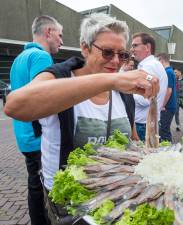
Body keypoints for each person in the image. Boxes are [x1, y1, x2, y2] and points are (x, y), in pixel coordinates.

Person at [4, 14, 159, 225]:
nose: (115, 61)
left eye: (122, 55)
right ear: (85, 48)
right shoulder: (60, 76)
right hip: (67, 206)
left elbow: (132, 138)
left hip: (112, 200)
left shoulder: (123, 91)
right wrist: (111, 80)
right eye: (107, 52)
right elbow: (15, 105)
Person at [9, 15, 63, 225]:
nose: (61, 41)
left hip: (24, 136)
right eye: (59, 35)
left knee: (34, 184)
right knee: (42, 188)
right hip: (37, 137)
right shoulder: (41, 58)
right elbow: (42, 99)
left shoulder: (19, 59)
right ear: (48, 32)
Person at [130, 32, 168, 141]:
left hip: (142, 124)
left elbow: (145, 99)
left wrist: (126, 92)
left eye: (135, 45)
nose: (132, 49)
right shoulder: (154, 65)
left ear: (147, 47)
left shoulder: (148, 67)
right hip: (149, 122)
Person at [156, 53, 177, 142]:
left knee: (164, 131)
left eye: (157, 61)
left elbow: (169, 90)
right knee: (164, 129)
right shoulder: (169, 71)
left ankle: (168, 150)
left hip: (167, 107)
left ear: (161, 60)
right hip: (169, 106)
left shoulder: (168, 72)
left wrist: (162, 105)